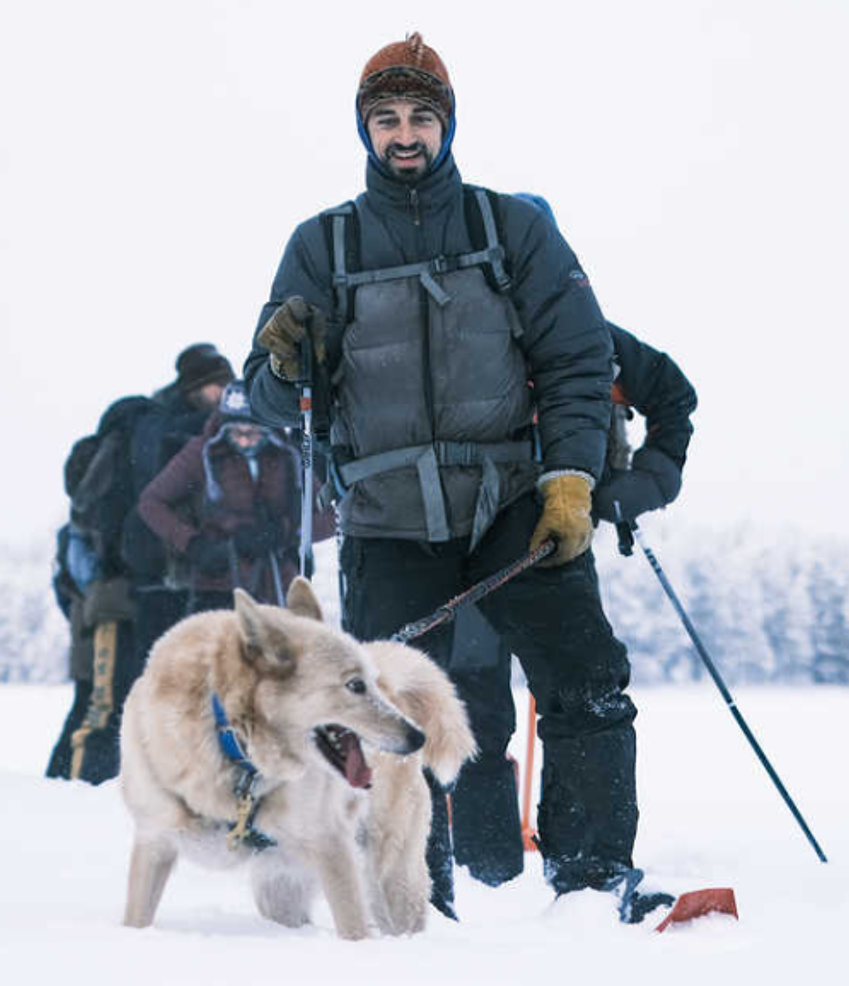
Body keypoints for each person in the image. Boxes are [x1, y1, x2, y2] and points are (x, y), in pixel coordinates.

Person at [241, 32, 672, 923]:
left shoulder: (510, 229)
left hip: (514, 500)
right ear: (365, 131)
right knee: (387, 715)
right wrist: (284, 366)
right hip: (388, 519)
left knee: (586, 677)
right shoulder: (322, 245)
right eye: (388, 118)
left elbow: (578, 361)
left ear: (448, 124)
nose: (406, 135)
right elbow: (274, 403)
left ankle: (591, 885)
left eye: (422, 117)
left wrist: (572, 481)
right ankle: (413, 903)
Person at [443, 222, 700, 882]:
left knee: (577, 690)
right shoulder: (452, 335)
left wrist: (640, 486)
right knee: (475, 699)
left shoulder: (598, 338)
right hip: (466, 532)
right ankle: (486, 863)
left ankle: (581, 875)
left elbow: (674, 399)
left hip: (557, 533)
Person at [46, 343, 234, 784]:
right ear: (194, 386)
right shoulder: (156, 431)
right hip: (113, 590)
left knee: (118, 702)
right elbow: (140, 513)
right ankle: (65, 794)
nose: (223, 396)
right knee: (102, 704)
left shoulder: (160, 429)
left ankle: (79, 789)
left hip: (131, 589)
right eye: (216, 386)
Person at [136, 383, 334, 615]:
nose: (244, 441)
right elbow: (151, 502)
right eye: (236, 433)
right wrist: (194, 544)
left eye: (253, 433)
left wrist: (286, 532)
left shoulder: (288, 455)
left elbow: (330, 517)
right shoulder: (200, 453)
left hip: (280, 584)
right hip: (217, 585)